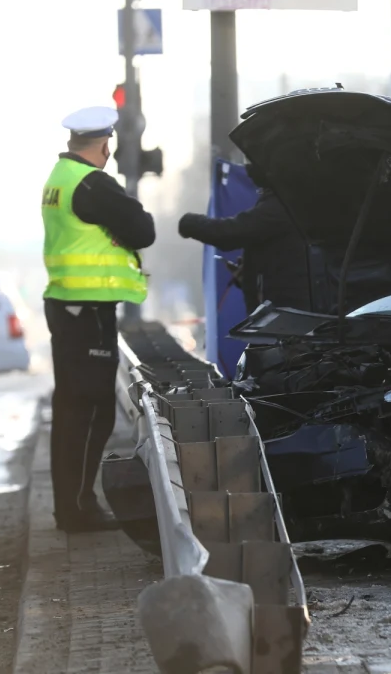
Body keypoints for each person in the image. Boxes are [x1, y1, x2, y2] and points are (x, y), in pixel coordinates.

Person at [42, 106, 155, 532]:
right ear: (105, 144)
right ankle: (78, 509)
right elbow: (143, 229)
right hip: (87, 310)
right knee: (90, 414)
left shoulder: (59, 179)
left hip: (69, 306)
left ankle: (72, 507)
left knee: (73, 410)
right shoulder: (93, 183)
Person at [178, 163, 312, 313]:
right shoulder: (282, 199)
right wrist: (250, 273)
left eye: (252, 162)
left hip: (287, 312)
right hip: (283, 310)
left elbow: (229, 233)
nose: (248, 169)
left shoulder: (279, 204)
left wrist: (190, 223)